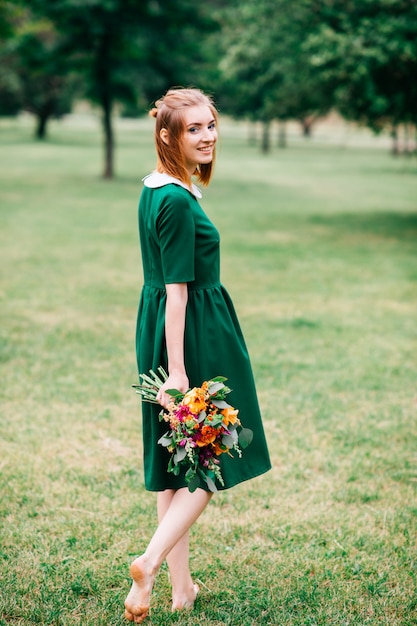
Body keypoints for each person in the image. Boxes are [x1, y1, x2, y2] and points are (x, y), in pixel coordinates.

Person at [124, 87, 271, 623]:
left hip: (161, 326)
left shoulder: (156, 189)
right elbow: (179, 291)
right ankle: (151, 559)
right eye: (194, 128)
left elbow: (163, 288)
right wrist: (180, 372)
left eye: (211, 125)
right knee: (208, 460)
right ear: (168, 135)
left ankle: (180, 588)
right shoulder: (178, 202)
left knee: (175, 464)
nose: (207, 135)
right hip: (193, 334)